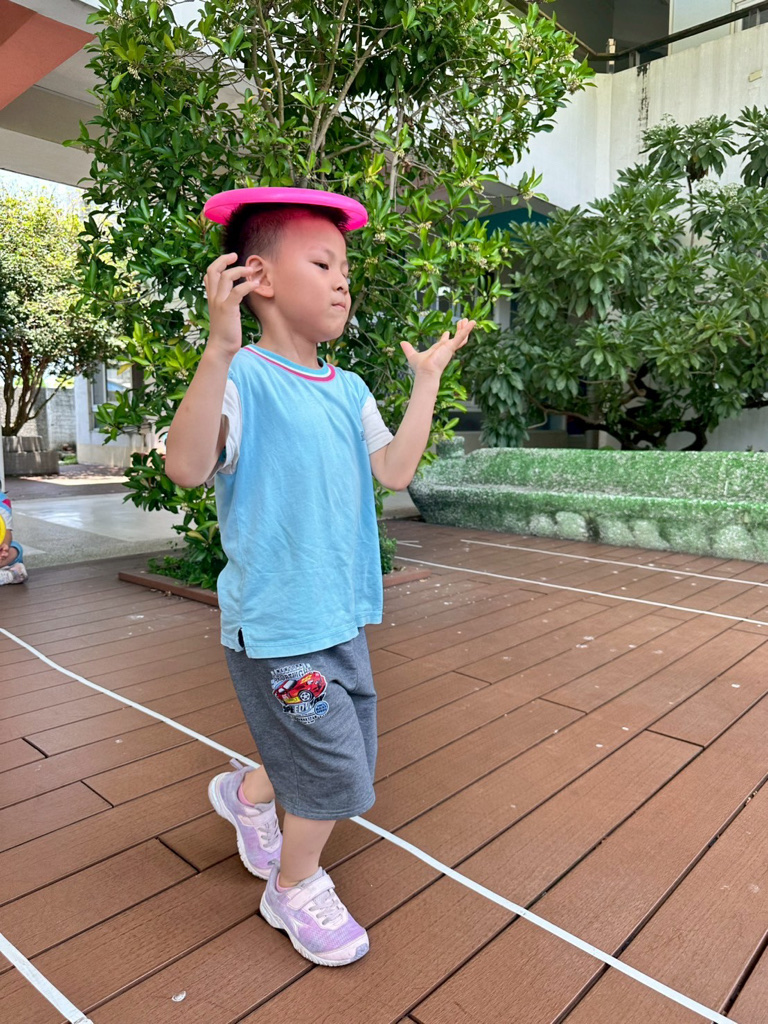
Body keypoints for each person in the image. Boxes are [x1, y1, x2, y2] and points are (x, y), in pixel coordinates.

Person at [164, 186, 474, 967]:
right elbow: (187, 467)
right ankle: (294, 885)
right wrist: (217, 350)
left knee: (335, 748)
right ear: (260, 278)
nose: (342, 282)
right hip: (278, 630)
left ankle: (247, 796)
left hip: (341, 616)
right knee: (336, 769)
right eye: (323, 264)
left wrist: (427, 382)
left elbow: (394, 471)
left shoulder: (350, 389)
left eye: (344, 269)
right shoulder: (243, 378)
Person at [0, 491, 28, 585]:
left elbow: (6, 531)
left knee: (15, 549)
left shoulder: (2, 501)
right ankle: (9, 575)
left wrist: (4, 547)